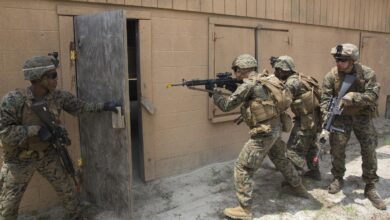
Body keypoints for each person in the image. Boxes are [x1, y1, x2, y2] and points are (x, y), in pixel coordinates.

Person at [0, 54, 119, 220]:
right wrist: (34, 130)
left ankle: (75, 216)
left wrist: (105, 106)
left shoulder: (58, 97)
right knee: (7, 205)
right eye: (52, 75)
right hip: (18, 159)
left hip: (47, 154)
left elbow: (81, 108)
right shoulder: (13, 100)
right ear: (38, 77)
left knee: (67, 190)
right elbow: (4, 132)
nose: (56, 79)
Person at [209, 54, 309, 220]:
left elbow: (227, 106)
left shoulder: (248, 85)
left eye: (236, 70)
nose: (235, 73)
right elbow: (261, 101)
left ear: (241, 69)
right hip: (275, 128)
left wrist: (215, 94)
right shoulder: (267, 78)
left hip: (264, 132)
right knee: (281, 160)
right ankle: (299, 188)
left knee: (243, 167)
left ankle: (244, 209)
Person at [320, 43, 386, 210]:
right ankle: (337, 177)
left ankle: (370, 185)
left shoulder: (367, 73)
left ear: (352, 60)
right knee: (337, 148)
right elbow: (325, 100)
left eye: (342, 60)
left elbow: (373, 95)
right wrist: (326, 120)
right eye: (337, 59)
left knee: (369, 148)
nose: (338, 63)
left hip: (362, 116)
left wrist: (354, 97)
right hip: (341, 117)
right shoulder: (331, 76)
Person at [273, 56, 322, 180]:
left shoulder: (291, 83)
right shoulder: (301, 77)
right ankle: (314, 172)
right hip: (315, 119)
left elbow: (283, 103)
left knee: (294, 150)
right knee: (311, 147)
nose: (276, 73)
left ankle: (294, 180)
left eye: (278, 70)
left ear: (283, 70)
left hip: (305, 121)